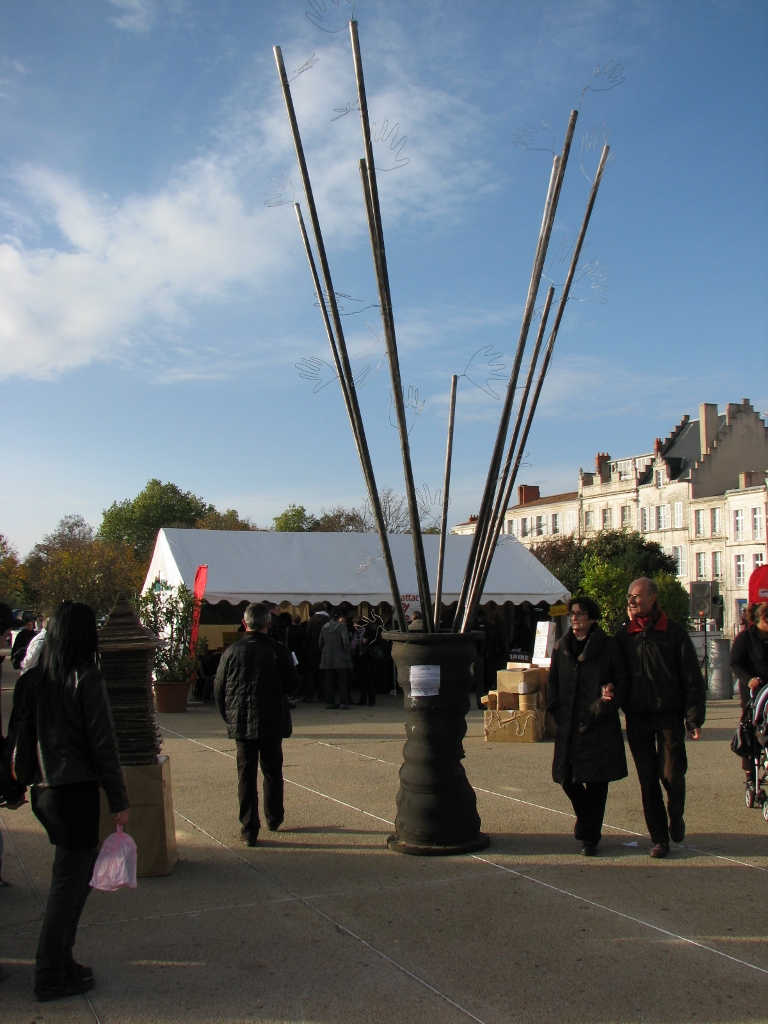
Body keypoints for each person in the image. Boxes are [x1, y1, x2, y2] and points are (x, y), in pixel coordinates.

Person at [7, 601, 129, 1002]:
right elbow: (102, 743)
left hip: (44, 790)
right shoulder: (85, 678)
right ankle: (50, 969)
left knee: (73, 881)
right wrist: (118, 797)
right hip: (74, 789)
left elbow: (17, 743)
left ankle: (61, 959)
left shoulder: (32, 681)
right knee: (69, 886)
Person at [614, 577, 706, 858]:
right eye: (630, 596)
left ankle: (675, 814)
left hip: (669, 715)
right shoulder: (624, 636)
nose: (632, 601)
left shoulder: (674, 633)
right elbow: (614, 674)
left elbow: (691, 677)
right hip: (638, 716)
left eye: (638, 596)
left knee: (671, 773)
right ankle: (659, 838)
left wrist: (693, 718)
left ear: (653, 598)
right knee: (647, 778)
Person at [547, 596, 629, 856]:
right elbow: (553, 681)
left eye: (581, 614)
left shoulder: (608, 646)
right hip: (569, 724)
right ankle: (585, 820)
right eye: (572, 613)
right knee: (566, 779)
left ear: (592, 618)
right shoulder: (562, 646)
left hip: (598, 725)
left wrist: (605, 702)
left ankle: (591, 837)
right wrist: (555, 709)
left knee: (596, 784)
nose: (575, 618)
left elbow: (621, 681)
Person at [214, 602, 298, 847]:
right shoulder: (278, 650)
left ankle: (249, 828)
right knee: (272, 771)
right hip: (271, 720)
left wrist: (229, 717)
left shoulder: (231, 652)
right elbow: (293, 685)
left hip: (242, 722)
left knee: (246, 776)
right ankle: (274, 817)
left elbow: (218, 689)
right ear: (268, 624)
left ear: (245, 623)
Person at [730, 601, 768, 791]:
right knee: (751, 729)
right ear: (763, 619)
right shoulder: (745, 639)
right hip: (755, 690)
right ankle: (750, 774)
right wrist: (749, 679)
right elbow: (735, 663)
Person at [319, 612, 352, 709]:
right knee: (342, 681)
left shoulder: (324, 627)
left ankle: (329, 702)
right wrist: (346, 651)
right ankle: (344, 702)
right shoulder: (342, 627)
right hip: (340, 657)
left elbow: (320, 642)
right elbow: (345, 641)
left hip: (327, 657)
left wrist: (324, 651)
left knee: (328, 681)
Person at [303, 604, 330, 701]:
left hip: (313, 650)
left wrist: (307, 649)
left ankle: (309, 695)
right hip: (325, 651)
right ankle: (322, 695)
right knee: (323, 674)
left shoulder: (312, 621)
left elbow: (308, 636)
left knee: (311, 674)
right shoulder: (328, 621)